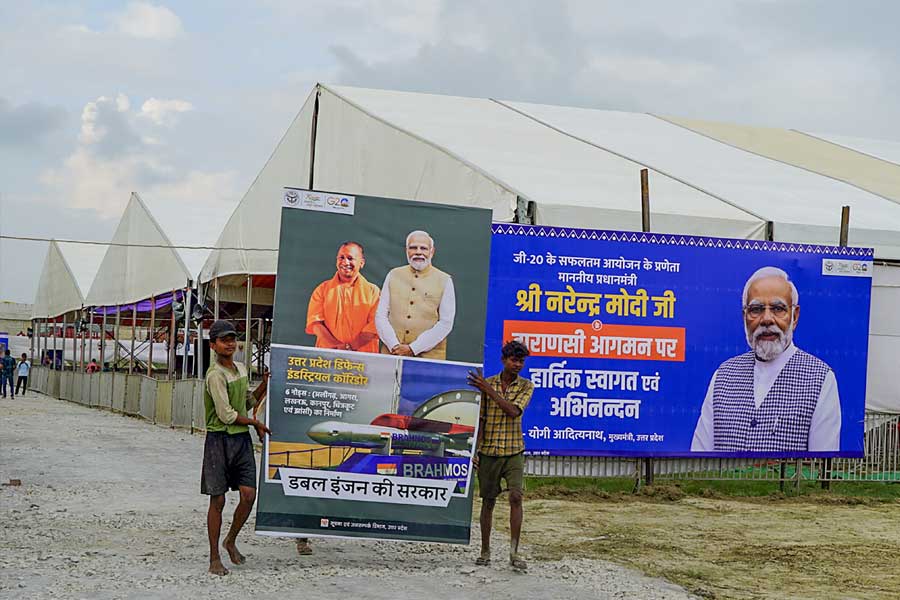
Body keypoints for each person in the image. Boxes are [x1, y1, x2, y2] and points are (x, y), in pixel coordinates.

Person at [691, 266, 840, 453]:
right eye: (756, 309)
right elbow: (699, 457)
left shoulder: (820, 379)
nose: (767, 319)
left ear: (794, 317)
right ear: (744, 317)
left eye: (778, 309)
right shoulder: (723, 375)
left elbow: (821, 464)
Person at [201, 320, 271, 576]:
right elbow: (226, 415)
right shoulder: (215, 375)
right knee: (218, 499)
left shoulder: (240, 368)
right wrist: (255, 423)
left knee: (249, 495)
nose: (230, 344)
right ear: (213, 345)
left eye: (232, 339)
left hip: (240, 440)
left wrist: (264, 384)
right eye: (224, 340)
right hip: (219, 440)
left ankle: (230, 540)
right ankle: (214, 557)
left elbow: (247, 401)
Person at [467, 340, 533, 572]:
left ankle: (514, 552)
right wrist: (476, 450)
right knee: (488, 501)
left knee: (516, 496)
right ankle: (485, 551)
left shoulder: (526, 386)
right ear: (504, 360)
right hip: (490, 451)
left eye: (521, 361)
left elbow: (513, 411)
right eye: (514, 360)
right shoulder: (488, 383)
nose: (518, 365)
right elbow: (481, 419)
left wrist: (488, 390)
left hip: (514, 450)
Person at [375, 230, 456, 360]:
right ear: (406, 250)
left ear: (432, 251)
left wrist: (413, 348)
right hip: (392, 354)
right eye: (413, 248)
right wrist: (394, 345)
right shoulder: (393, 274)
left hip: (428, 358)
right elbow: (381, 315)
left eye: (423, 248)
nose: (418, 252)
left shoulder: (445, 280)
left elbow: (445, 323)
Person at [306, 241, 381, 353]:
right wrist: (336, 347)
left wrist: (350, 347)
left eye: (350, 258)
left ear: (361, 263)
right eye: (341, 258)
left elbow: (375, 326)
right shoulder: (322, 290)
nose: (345, 262)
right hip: (328, 355)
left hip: (363, 357)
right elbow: (316, 324)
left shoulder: (373, 292)